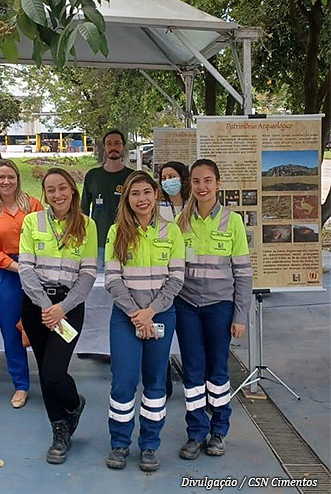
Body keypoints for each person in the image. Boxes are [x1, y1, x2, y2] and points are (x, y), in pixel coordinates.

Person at [103, 171, 185, 472]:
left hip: (161, 315)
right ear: (127, 198)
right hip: (126, 318)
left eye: (147, 192)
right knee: (123, 383)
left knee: (154, 383)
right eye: (135, 193)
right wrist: (136, 314)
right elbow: (112, 279)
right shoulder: (116, 232)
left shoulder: (171, 232)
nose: (142, 199)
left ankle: (149, 445)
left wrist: (150, 312)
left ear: (156, 194)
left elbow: (177, 278)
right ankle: (120, 444)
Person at [18, 168, 98, 464]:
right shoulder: (32, 222)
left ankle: (74, 404)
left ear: (72, 191)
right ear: (45, 194)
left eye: (62, 188)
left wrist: (61, 309)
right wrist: (44, 307)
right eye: (51, 190)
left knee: (54, 372)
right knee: (45, 373)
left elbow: (89, 273)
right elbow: (25, 268)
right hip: (36, 307)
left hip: (69, 307)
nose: (57, 195)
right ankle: (60, 431)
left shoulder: (87, 225)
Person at [175, 159, 252, 460]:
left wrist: (240, 315)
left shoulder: (232, 221)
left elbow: (243, 274)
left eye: (207, 180)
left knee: (218, 370)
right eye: (196, 181)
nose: (202, 187)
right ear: (190, 185)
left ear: (218, 184)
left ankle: (219, 431)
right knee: (193, 370)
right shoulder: (181, 221)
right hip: (187, 306)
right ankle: (196, 433)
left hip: (220, 307)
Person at [0, 159, 43, 408]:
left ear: (18, 179)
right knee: (11, 332)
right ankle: (21, 384)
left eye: (11, 177)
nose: (6, 182)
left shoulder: (33, 205)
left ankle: (51, 378)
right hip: (8, 274)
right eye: (1, 178)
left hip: (38, 270)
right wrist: (20, 269)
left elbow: (45, 236)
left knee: (42, 328)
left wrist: (32, 268)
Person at [157, 160, 191, 398]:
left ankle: (194, 382)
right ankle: (163, 385)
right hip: (165, 282)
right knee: (163, 342)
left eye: (173, 176)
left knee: (190, 340)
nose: (169, 181)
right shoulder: (158, 208)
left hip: (192, 281)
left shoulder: (194, 207)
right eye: (164, 177)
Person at [81, 129, 133, 270]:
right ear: (104, 147)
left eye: (117, 143)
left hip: (126, 242)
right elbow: (83, 210)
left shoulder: (132, 177)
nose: (113, 147)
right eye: (109, 144)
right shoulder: (93, 176)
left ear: (123, 147)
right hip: (99, 242)